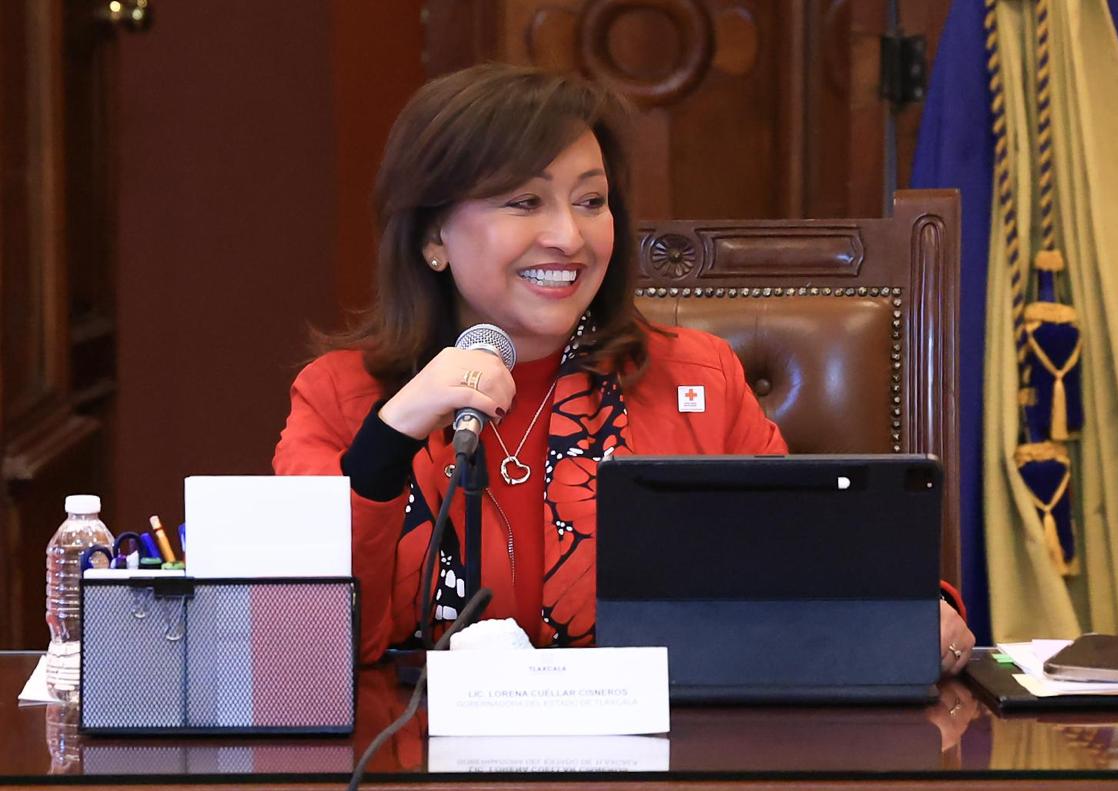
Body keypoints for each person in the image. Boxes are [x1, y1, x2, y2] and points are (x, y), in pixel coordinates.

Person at [273, 63, 974, 675]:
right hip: (413, 780)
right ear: (432, 235)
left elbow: (803, 565)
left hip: (653, 777)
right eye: (524, 201)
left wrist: (918, 607)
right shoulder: (342, 397)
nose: (569, 237)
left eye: (590, 201)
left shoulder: (694, 378)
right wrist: (388, 440)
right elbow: (301, 653)